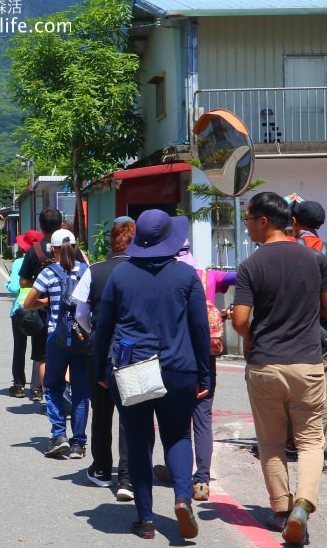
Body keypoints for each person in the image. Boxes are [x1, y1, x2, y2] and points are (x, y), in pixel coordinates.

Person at [92, 210, 211, 541]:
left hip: (133, 369)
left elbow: (104, 327)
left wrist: (102, 367)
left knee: (140, 440)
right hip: (179, 368)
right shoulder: (187, 277)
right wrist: (204, 373)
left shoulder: (121, 275)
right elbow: (200, 329)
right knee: (178, 436)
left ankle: (145, 520)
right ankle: (183, 498)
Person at [231, 192, 327, 545]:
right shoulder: (315, 259)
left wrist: (254, 334)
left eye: (248, 219)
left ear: (264, 221)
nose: (247, 225)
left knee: (272, 442)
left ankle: (280, 509)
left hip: (265, 364)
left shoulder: (251, 266)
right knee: (310, 441)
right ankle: (303, 507)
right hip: (307, 363)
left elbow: (241, 321)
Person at [153, 241, 237, 501]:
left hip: (173, 354)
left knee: (172, 417)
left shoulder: (164, 277)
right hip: (205, 354)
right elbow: (243, 274)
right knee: (203, 416)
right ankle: (201, 479)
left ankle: (175, 469)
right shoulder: (207, 276)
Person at [72, 216, 135, 499]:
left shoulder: (94, 270)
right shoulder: (144, 271)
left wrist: (95, 331)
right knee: (130, 414)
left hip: (99, 347)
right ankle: (127, 477)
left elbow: (81, 314)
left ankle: (100, 468)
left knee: (101, 410)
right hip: (134, 348)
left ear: (112, 241)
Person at [23, 229, 90, 459]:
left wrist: (49, 300)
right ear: (75, 247)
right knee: (81, 391)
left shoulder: (48, 273)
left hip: (56, 337)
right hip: (83, 337)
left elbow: (28, 303)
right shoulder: (86, 271)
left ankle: (59, 435)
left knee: (52, 387)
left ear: (53, 250)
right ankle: (79, 444)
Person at [291, 197, 327, 461]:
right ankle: (322, 446)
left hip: (290, 330)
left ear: (294, 222)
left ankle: (294, 441)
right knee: (323, 390)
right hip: (323, 332)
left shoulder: (288, 248)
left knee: (291, 389)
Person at [18, 208, 88, 402]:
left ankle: (46, 395)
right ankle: (68, 390)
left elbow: (23, 282)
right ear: (61, 224)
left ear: (41, 226)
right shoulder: (76, 251)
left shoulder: (35, 250)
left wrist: (44, 288)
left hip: (44, 313)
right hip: (75, 314)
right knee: (72, 352)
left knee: (42, 356)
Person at [5, 229, 44, 398]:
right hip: (40, 307)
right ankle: (36, 389)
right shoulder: (46, 261)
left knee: (19, 348)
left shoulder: (19, 262)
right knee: (39, 349)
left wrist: (8, 284)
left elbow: (14, 287)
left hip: (20, 309)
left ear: (23, 248)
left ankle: (19, 385)